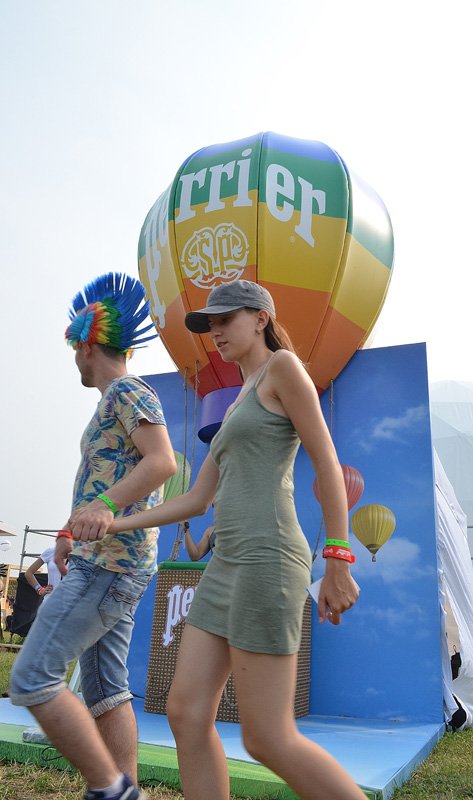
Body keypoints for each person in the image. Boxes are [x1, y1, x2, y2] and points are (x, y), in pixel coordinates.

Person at [95, 279, 366, 800]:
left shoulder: (283, 368)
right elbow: (197, 500)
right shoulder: (239, 397)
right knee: (185, 711)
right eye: (210, 324)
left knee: (267, 738)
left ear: (261, 318)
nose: (215, 331)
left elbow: (328, 463)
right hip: (225, 567)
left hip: (268, 557)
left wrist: (338, 558)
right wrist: (113, 519)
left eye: (226, 319)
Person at [9, 272, 177, 800]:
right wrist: (68, 531)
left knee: (33, 676)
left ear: (86, 345)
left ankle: (110, 788)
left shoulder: (127, 391)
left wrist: (103, 508)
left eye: (74, 352)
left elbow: (162, 462)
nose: (75, 363)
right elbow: (102, 479)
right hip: (108, 562)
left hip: (107, 567)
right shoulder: (112, 400)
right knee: (106, 691)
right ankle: (122, 793)